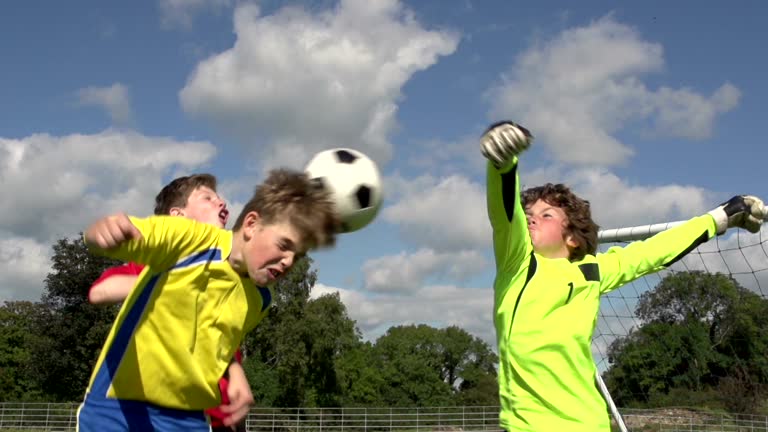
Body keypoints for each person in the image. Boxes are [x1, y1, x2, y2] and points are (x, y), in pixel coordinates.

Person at [480, 121, 767, 432]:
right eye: (529, 216)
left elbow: (654, 251)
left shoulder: (593, 271)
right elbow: (505, 212)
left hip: (590, 423)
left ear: (574, 238)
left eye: (545, 215)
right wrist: (503, 165)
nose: (531, 220)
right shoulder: (518, 263)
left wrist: (719, 217)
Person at [78, 168, 339, 431]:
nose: (289, 262)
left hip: (189, 419)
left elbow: (218, 345)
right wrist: (101, 231)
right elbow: (118, 239)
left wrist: (235, 375)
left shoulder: (260, 299)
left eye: (299, 256)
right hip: (118, 407)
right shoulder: (188, 240)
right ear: (251, 224)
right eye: (284, 246)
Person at [88, 173, 249, 431]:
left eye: (220, 199)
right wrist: (174, 289)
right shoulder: (158, 266)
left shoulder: (230, 278)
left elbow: (225, 349)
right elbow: (101, 291)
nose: (221, 203)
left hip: (219, 420)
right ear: (177, 215)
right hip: (159, 416)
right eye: (208, 198)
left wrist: (236, 375)